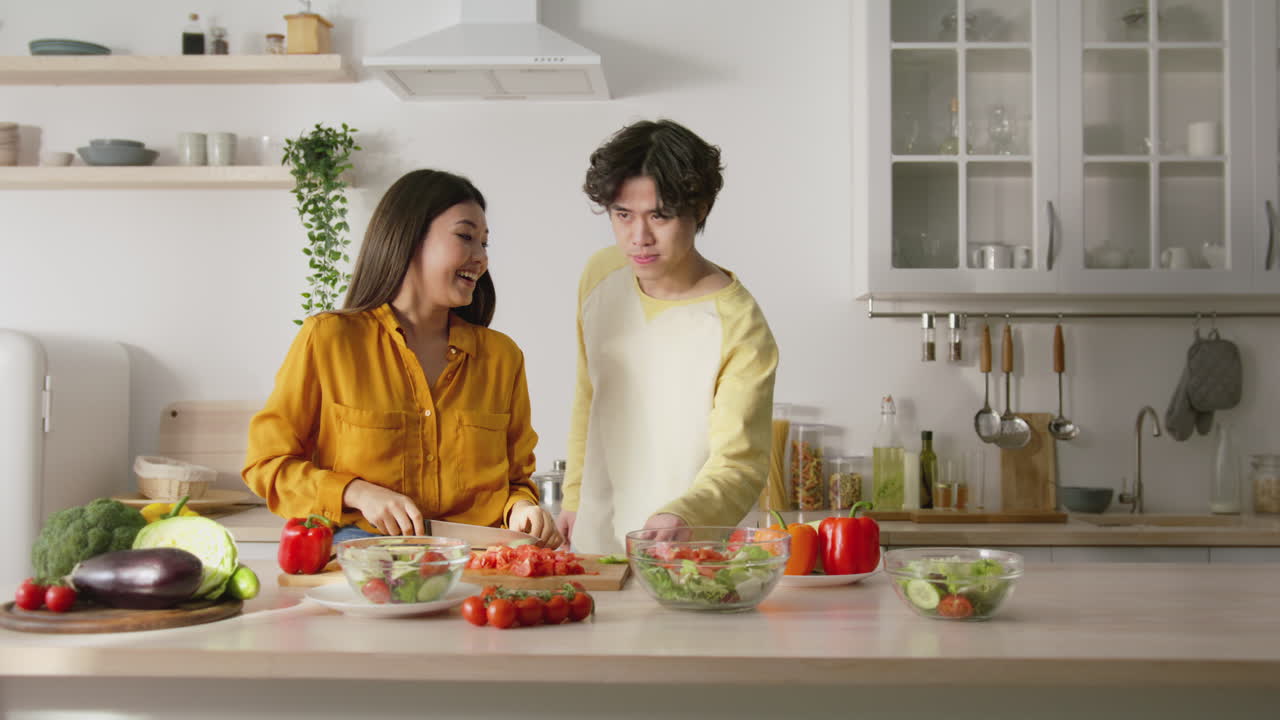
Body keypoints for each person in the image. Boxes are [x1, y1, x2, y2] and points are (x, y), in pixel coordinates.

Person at [243, 169, 561, 547]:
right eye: (465, 237)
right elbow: (267, 465)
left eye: (485, 244)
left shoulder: (501, 357)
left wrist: (522, 510)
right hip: (364, 558)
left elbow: (515, 482)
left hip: (480, 560)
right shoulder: (329, 340)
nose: (480, 258)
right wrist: (357, 492)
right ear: (410, 238)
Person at [555, 120, 779, 554]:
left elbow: (741, 463)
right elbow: (589, 394)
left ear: (700, 209)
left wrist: (685, 515)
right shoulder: (600, 275)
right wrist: (574, 498)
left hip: (684, 550)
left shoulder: (741, 324)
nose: (638, 238)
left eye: (659, 215)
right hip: (594, 542)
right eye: (623, 215)